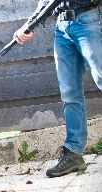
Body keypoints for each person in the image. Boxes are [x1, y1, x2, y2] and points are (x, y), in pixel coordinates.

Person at [13, 0, 102, 178]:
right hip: (62, 27)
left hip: (88, 18)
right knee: (70, 93)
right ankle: (73, 153)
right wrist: (30, 24)